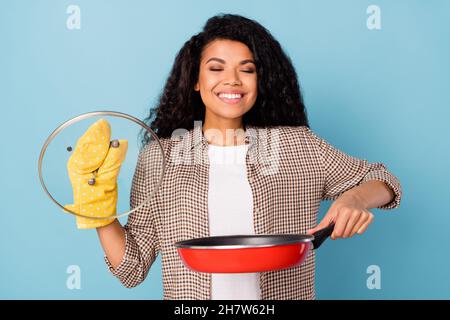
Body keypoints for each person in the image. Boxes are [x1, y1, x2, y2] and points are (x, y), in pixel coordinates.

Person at [93, 14, 402, 300]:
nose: (233, 80)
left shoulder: (298, 146)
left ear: (259, 81)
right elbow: (131, 269)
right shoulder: (160, 158)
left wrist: (355, 200)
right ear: (196, 81)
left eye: (247, 69)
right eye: (216, 68)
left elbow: (384, 180)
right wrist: (97, 210)